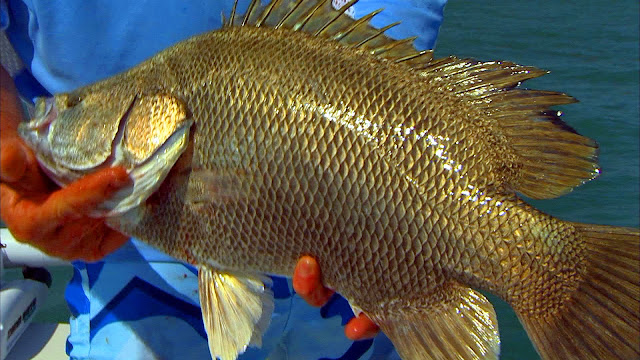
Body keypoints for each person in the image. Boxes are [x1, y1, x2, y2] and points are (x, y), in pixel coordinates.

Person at [0, 0, 447, 358]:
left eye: (76, 105)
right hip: (131, 263)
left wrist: (384, 192)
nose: (57, 113)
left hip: (363, 264)